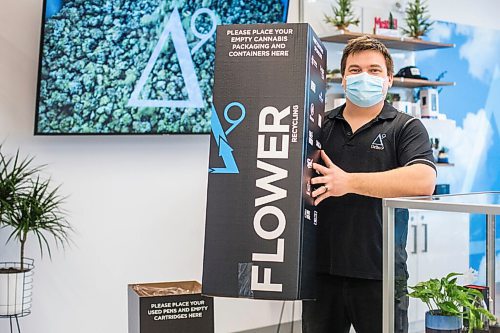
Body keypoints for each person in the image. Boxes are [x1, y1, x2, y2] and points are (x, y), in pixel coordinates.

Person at [302, 36, 437, 333]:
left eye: (374, 70)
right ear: (344, 78)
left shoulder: (406, 127)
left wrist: (348, 182)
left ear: (389, 79)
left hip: (381, 273)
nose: (364, 76)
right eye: (355, 69)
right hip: (321, 272)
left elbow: (424, 180)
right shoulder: (319, 126)